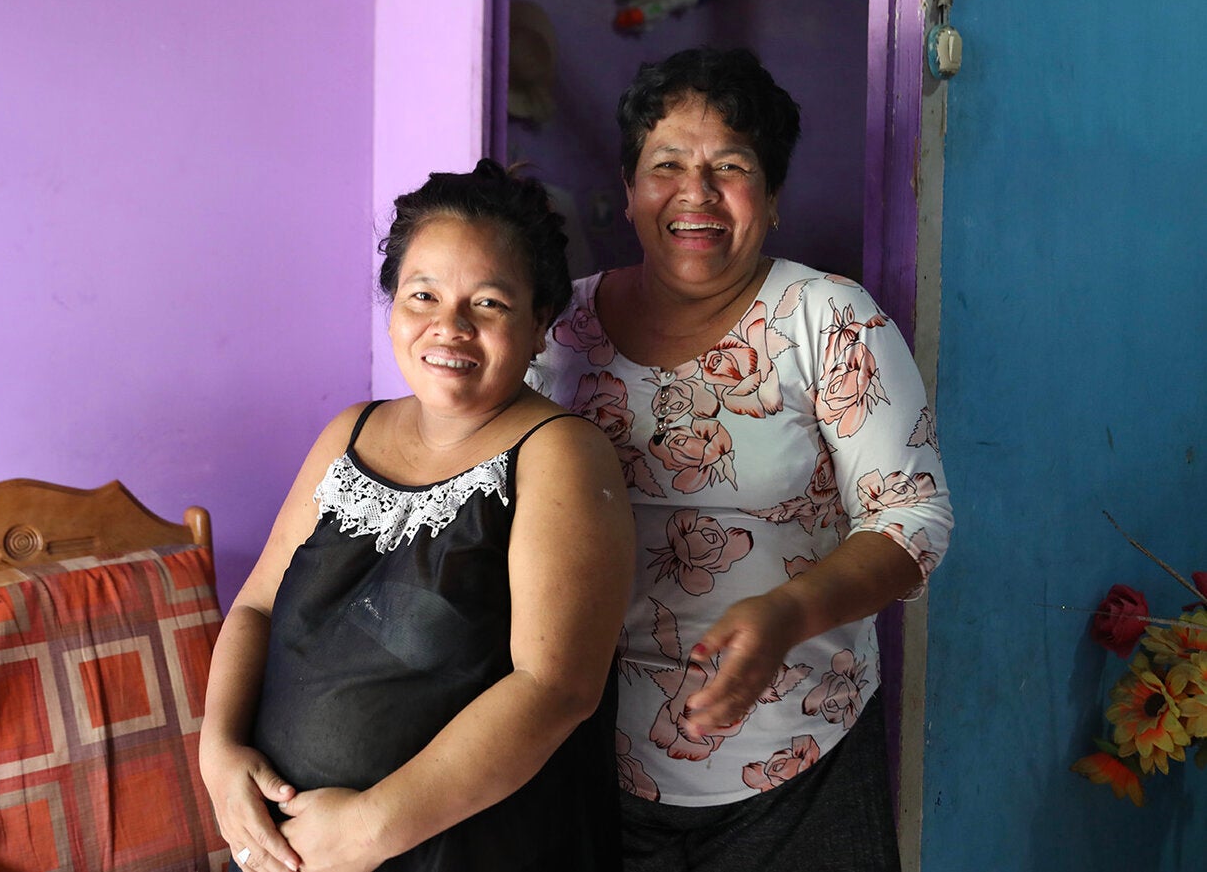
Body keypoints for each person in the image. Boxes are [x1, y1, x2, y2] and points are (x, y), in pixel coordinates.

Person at [529, 47, 954, 871]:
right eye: (667, 166)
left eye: (731, 166)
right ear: (628, 189)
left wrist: (787, 613)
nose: (696, 193)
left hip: (803, 764)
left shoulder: (827, 318)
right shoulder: (558, 333)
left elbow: (915, 520)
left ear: (772, 197)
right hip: (590, 763)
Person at [200, 159, 635, 872]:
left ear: (537, 326)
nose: (448, 326)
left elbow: (554, 688)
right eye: (422, 295)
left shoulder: (558, 455)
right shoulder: (349, 431)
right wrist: (219, 755)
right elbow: (252, 607)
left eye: (488, 304)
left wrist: (368, 828)